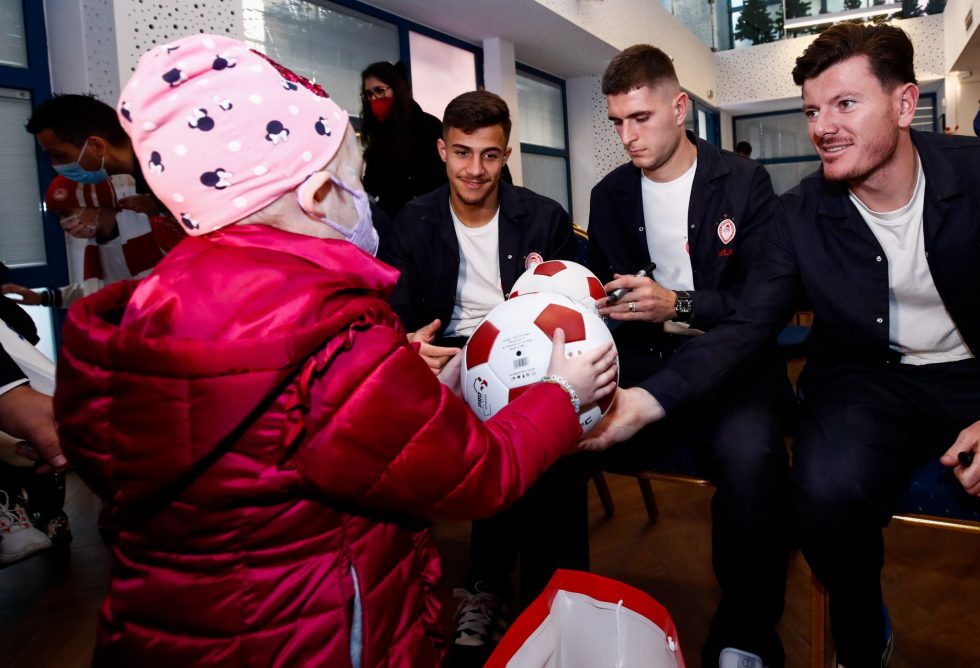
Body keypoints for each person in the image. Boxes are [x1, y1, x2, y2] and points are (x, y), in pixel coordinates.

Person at [53, 34, 617, 666]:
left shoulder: (132, 317)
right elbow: (476, 475)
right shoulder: (337, 335)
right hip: (321, 632)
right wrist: (561, 393)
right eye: (354, 178)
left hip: (162, 633)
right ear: (320, 197)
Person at [584, 23, 980, 668]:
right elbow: (749, 321)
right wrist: (647, 402)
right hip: (868, 379)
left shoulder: (974, 176)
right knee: (819, 495)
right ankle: (859, 633)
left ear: (906, 104)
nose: (823, 126)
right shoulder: (801, 215)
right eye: (812, 111)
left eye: (845, 104)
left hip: (972, 374)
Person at [586, 44, 794, 668]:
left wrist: (677, 304)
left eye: (641, 118)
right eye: (617, 122)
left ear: (680, 108)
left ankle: (745, 637)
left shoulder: (744, 182)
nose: (628, 136)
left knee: (753, 460)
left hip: (735, 365)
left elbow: (764, 307)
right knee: (552, 434)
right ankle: (553, 600)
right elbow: (607, 299)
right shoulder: (610, 195)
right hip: (644, 362)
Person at [379, 90, 580, 664]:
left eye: (489, 156)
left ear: (506, 154)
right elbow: (394, 312)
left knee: (546, 414)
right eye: (462, 153)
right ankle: (441, 585)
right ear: (442, 151)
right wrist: (411, 347)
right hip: (446, 353)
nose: (474, 169)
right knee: (391, 425)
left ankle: (539, 590)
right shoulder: (413, 218)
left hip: (527, 347)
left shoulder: (544, 216)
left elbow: (570, 308)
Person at [3, 176, 180, 309]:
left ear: (95, 204)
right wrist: (41, 298)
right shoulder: (96, 245)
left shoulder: (153, 228)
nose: (64, 223)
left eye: (66, 214)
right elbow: (95, 292)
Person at [25, 93, 166, 221]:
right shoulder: (151, 174)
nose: (55, 165)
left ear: (96, 146)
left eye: (59, 155)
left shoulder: (166, 171)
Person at [360, 61, 447, 222]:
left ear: (397, 90)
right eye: (368, 94)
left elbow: (443, 179)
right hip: (395, 225)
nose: (374, 98)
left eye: (379, 90)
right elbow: (372, 183)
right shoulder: (379, 134)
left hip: (431, 221)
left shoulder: (429, 126)